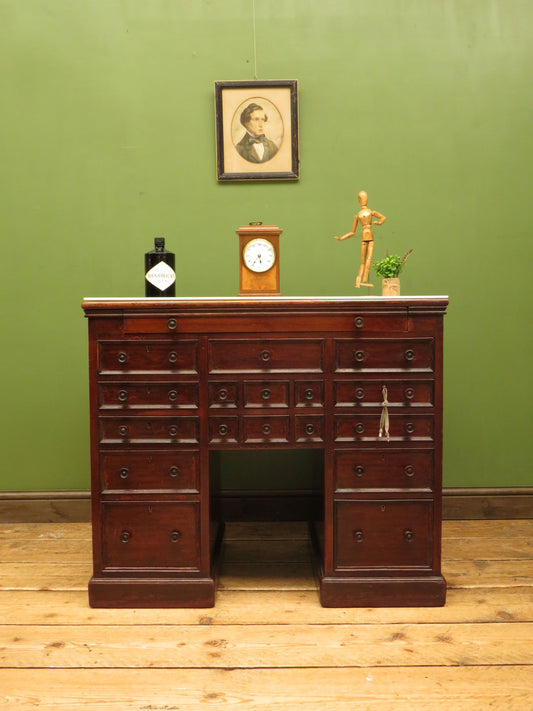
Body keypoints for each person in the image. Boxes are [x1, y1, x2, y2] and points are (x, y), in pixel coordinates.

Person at [334, 190, 386, 288]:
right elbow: (352, 232)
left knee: (368, 260)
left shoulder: (368, 213)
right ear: (360, 200)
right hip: (366, 238)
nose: (364, 200)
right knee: (364, 261)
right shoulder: (359, 215)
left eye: (364, 198)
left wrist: (379, 223)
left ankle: (364, 280)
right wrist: (341, 238)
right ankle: (359, 281)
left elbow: (383, 218)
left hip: (369, 238)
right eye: (362, 198)